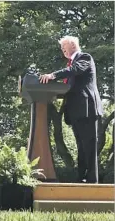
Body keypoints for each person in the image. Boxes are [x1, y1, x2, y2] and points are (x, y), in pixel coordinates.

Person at [39, 35, 103, 183]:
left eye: (64, 47)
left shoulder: (84, 58)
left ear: (73, 45)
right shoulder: (71, 64)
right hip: (75, 110)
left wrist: (52, 75)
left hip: (87, 109)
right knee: (80, 145)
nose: (63, 51)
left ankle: (93, 181)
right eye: (62, 48)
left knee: (89, 145)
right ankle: (81, 178)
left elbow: (74, 70)